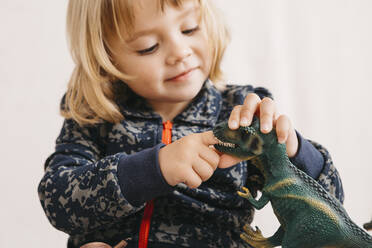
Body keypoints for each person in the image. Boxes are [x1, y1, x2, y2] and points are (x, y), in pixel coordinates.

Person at [38, 0, 344, 247]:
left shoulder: (238, 112)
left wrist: (290, 148)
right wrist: (155, 167)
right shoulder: (95, 117)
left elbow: (332, 204)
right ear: (105, 57)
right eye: (148, 46)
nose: (179, 52)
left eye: (189, 28)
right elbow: (58, 201)